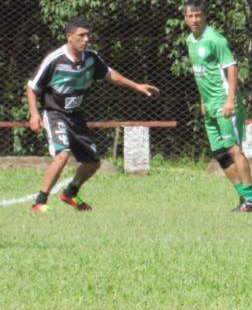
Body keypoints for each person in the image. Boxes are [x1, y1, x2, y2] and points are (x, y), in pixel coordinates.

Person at [27, 17, 160, 212]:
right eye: (81, 35)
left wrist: (137, 86)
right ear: (69, 37)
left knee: (92, 162)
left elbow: (110, 74)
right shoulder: (54, 59)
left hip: (75, 115)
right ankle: (40, 203)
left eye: (88, 35)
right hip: (55, 113)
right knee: (62, 155)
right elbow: (31, 87)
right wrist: (34, 114)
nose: (86, 39)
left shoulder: (91, 57)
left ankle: (70, 193)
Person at [183, 0, 252, 212]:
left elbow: (231, 67)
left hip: (225, 102)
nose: (195, 20)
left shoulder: (216, 40)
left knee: (234, 150)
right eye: (190, 16)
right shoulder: (190, 41)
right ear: (185, 18)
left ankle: (251, 198)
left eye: (198, 15)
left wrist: (229, 99)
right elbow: (201, 75)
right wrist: (202, 99)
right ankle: (245, 199)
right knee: (220, 154)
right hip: (209, 105)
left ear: (205, 16)